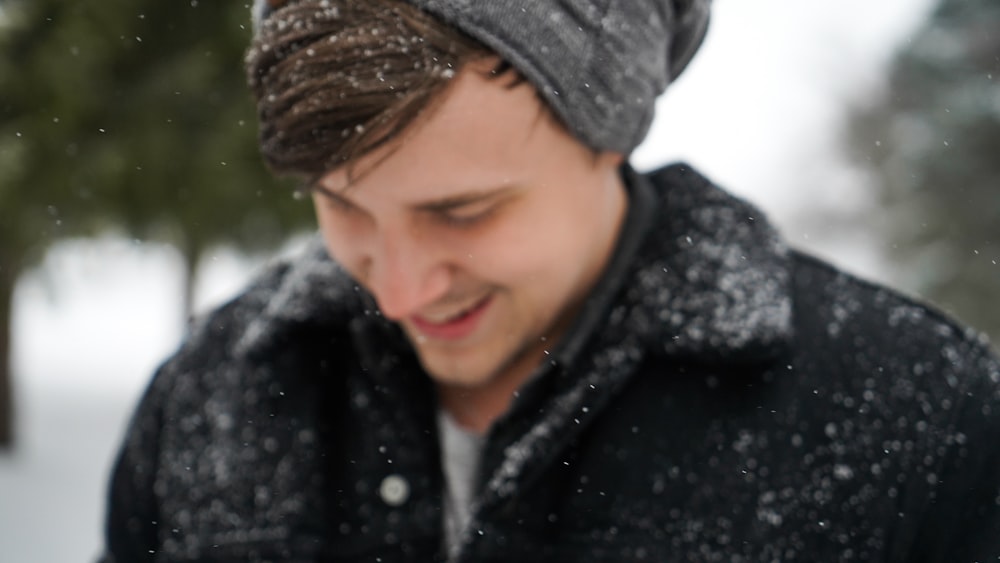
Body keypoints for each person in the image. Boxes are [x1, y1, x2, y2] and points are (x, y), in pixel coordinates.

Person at [100, 1, 1000, 561]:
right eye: (344, 207)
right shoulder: (215, 391)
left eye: (463, 211)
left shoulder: (914, 417)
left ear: (611, 133)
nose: (403, 289)